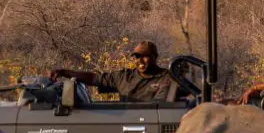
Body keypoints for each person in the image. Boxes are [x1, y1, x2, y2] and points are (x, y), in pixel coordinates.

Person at [49, 40, 186, 103]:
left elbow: (170, 103)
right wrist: (65, 72)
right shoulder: (124, 77)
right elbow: (94, 78)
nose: (140, 61)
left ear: (155, 57)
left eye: (145, 56)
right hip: (125, 125)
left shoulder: (167, 78)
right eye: (137, 57)